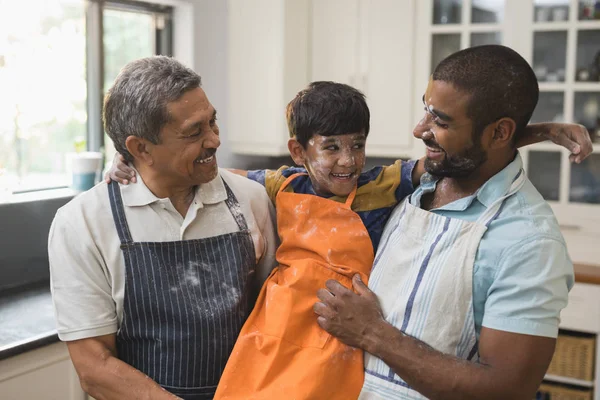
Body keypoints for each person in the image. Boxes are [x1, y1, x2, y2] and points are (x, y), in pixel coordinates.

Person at [107, 78, 591, 399]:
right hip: (274, 336)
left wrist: (540, 131)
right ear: (298, 151)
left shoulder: (385, 184)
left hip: (341, 337)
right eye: (331, 148)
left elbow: (463, 149)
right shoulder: (278, 184)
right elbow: (208, 172)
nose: (347, 161)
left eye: (357, 145)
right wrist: (133, 162)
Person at [313, 45, 583, 400]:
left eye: (440, 121)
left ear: (500, 133)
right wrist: (538, 132)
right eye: (426, 110)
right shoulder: (416, 185)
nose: (418, 130)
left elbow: (507, 389)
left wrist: (371, 333)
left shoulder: (529, 240)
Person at [48, 56, 278, 400]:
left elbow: (274, 319)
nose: (214, 140)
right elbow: (94, 368)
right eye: (194, 132)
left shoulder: (252, 201)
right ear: (140, 148)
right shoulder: (83, 223)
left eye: (213, 122)